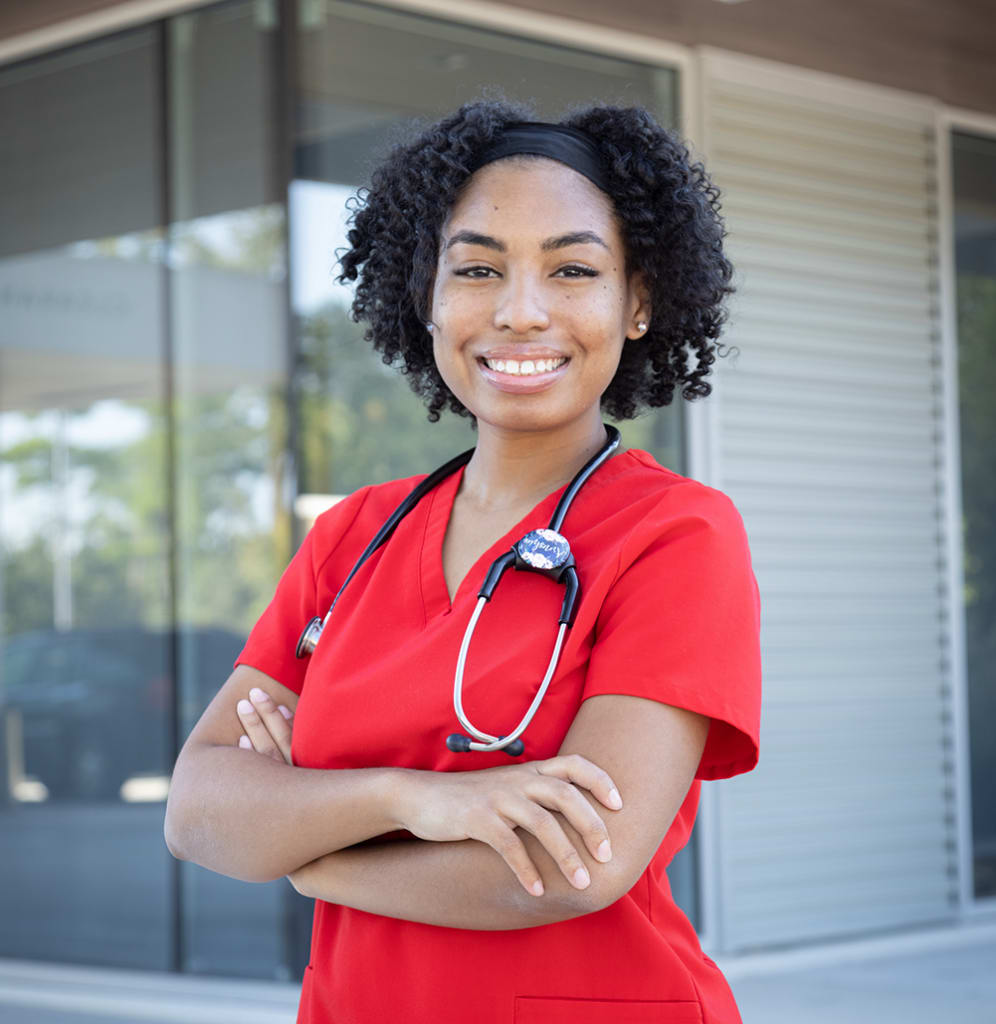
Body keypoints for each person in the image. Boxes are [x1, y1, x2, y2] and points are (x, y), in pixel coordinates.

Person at [164, 99, 761, 1024]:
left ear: (637, 302)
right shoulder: (352, 538)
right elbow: (199, 810)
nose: (521, 313)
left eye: (572, 270)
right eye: (477, 268)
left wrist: (309, 845)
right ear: (428, 298)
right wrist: (418, 801)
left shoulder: (676, 535)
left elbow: (575, 866)